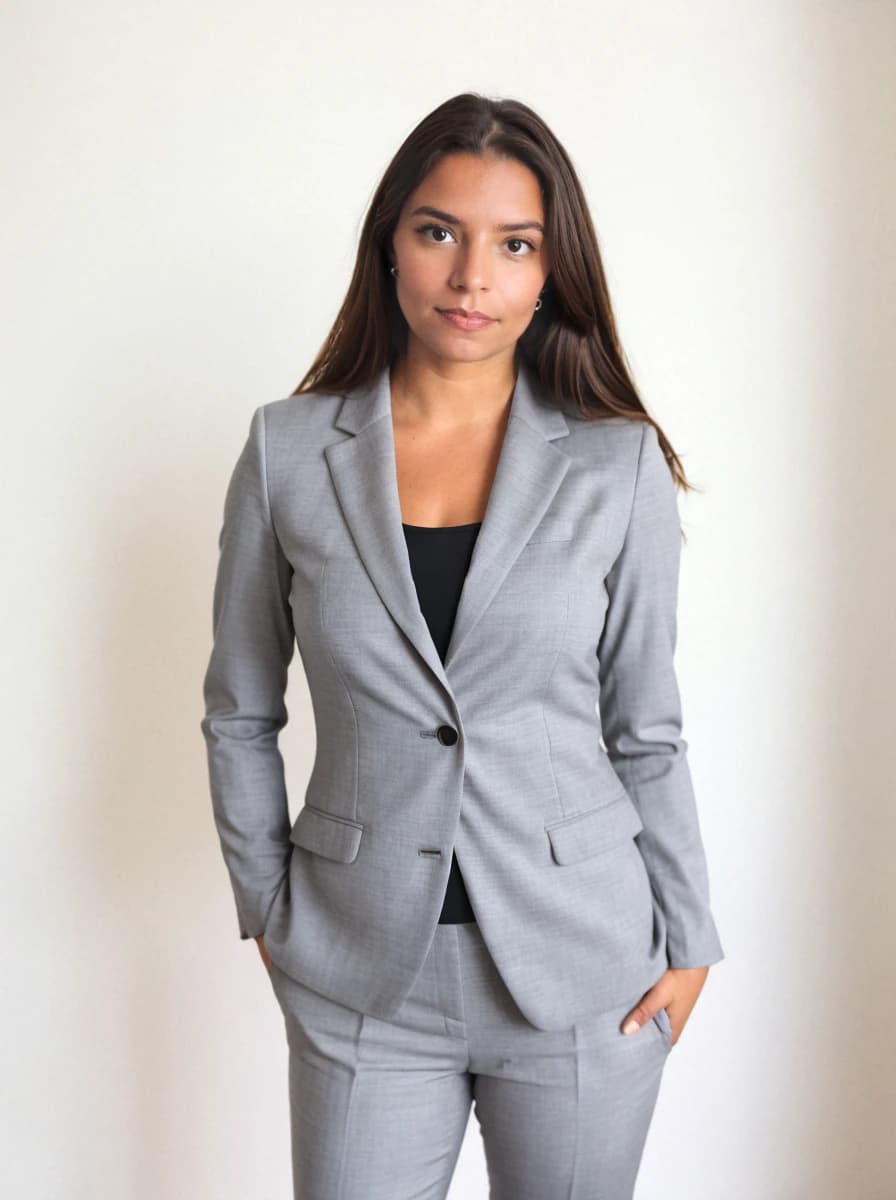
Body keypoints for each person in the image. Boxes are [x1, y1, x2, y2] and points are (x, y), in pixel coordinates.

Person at [200, 92, 725, 1200]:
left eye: (513, 244)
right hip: (358, 968)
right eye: (438, 231)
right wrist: (269, 909)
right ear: (390, 242)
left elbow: (644, 725)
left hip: (582, 966)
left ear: (548, 271)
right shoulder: (289, 451)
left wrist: (689, 941)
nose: (470, 276)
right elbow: (241, 707)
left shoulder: (612, 464)